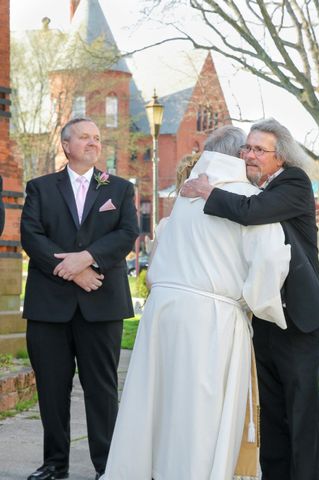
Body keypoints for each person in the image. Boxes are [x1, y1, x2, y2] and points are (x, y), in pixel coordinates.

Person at [102, 126, 292, 480]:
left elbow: (159, 253)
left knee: (159, 407)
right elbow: (269, 260)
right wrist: (260, 305)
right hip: (211, 318)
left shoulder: (186, 197)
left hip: (164, 313)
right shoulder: (246, 197)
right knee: (200, 414)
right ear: (239, 155)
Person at [181, 118, 319, 480]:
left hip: (298, 321)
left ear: (280, 156)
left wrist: (207, 192)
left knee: (301, 416)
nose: (248, 155)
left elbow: (253, 214)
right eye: (246, 148)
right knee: (272, 416)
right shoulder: (262, 188)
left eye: (258, 149)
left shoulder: (294, 181)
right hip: (264, 322)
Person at [20, 117, 138, 480]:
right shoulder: (40, 187)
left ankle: (108, 466)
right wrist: (73, 269)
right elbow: (32, 236)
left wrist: (87, 259)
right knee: (52, 389)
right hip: (48, 305)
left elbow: (127, 232)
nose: (93, 143)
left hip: (101, 302)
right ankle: (55, 464)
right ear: (66, 145)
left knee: (101, 388)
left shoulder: (118, 189)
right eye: (84, 137)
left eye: (97, 138)